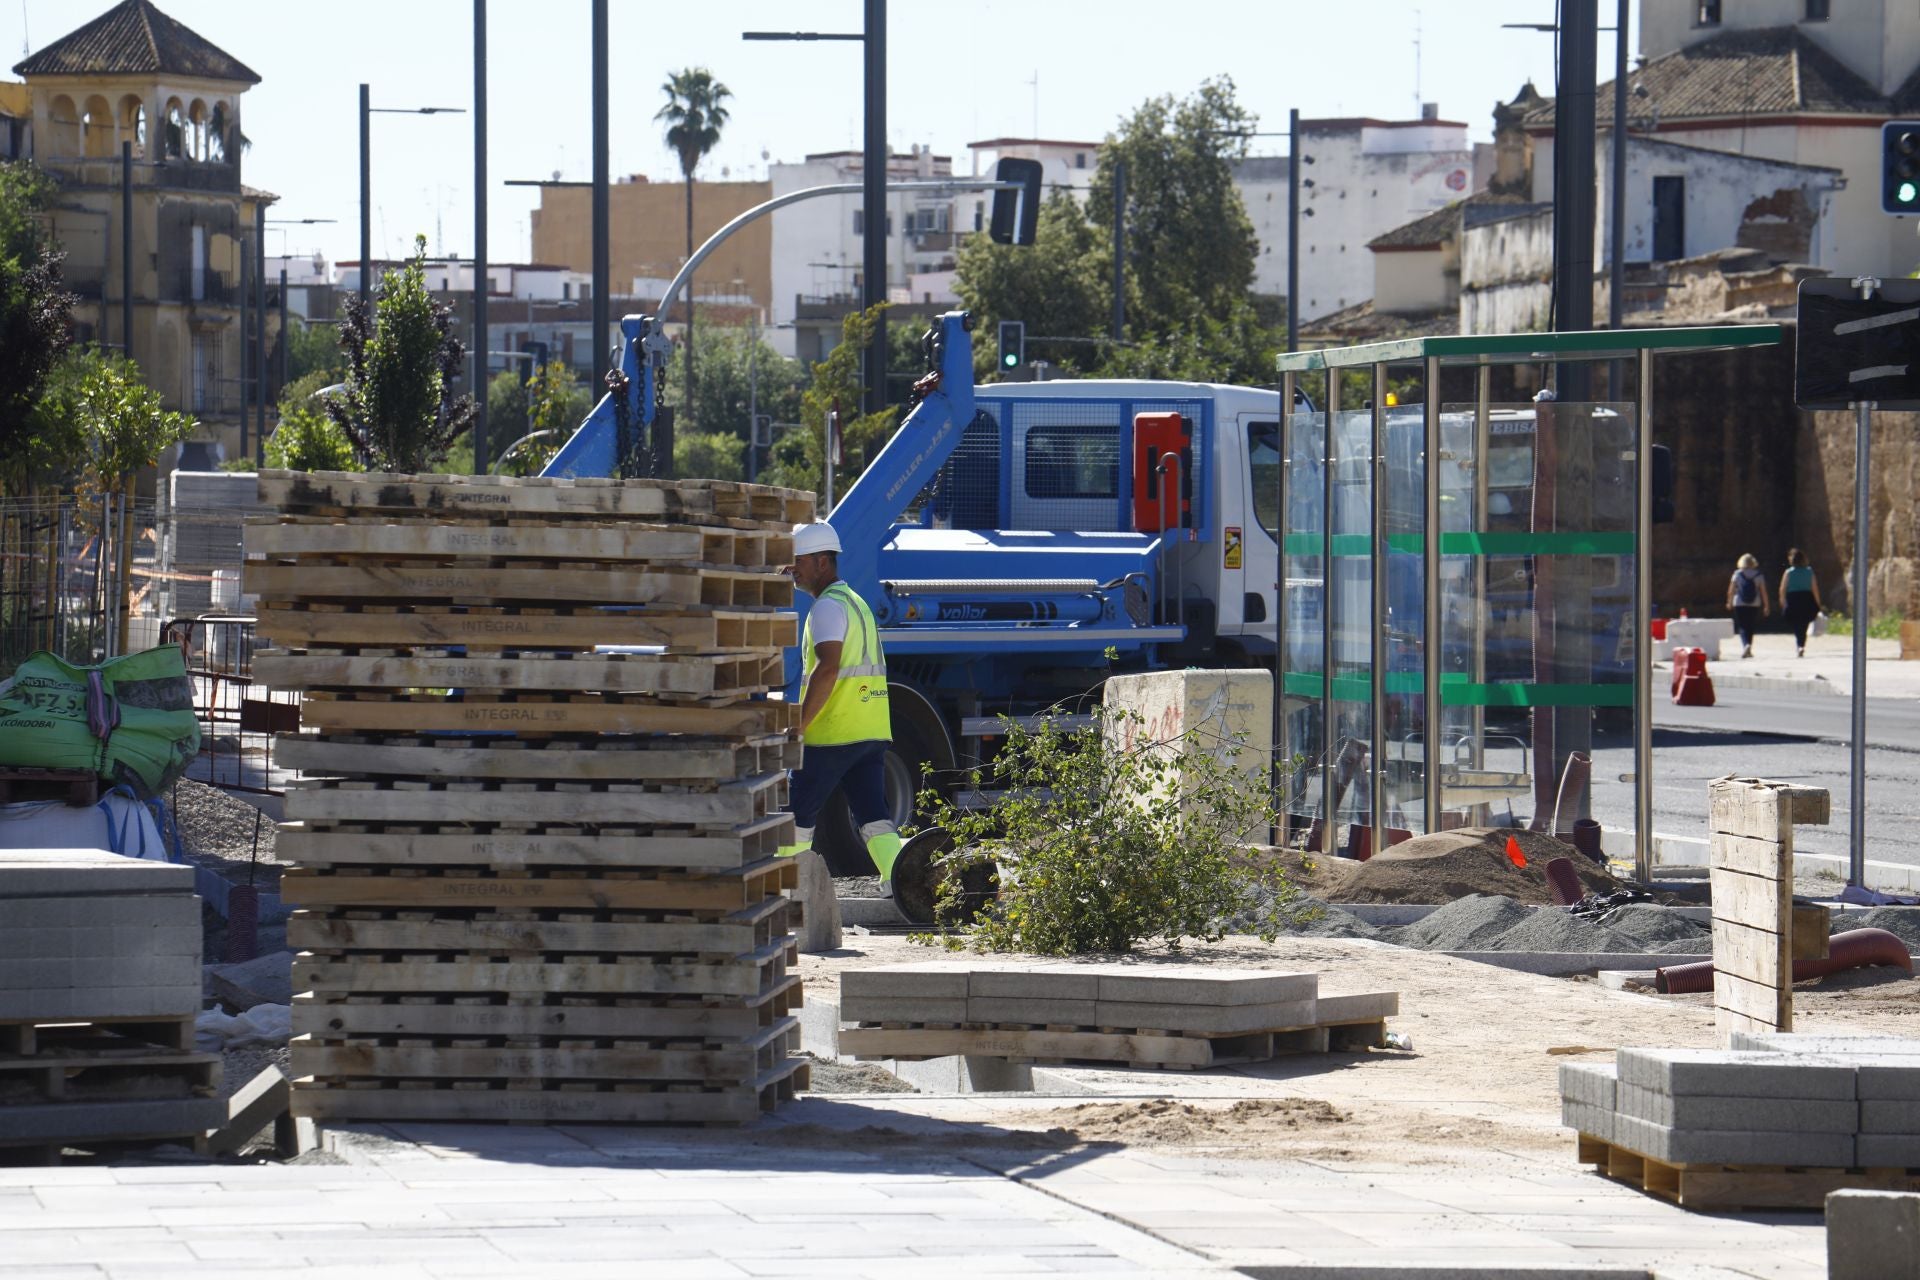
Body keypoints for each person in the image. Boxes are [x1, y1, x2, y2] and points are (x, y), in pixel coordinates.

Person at [778, 522, 901, 894]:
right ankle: (903, 881)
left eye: (796, 561)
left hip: (832, 733)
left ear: (821, 562)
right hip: (869, 730)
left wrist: (799, 724)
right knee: (873, 817)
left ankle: (784, 890)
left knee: (796, 815)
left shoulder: (828, 607)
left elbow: (827, 668)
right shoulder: (856, 603)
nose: (791, 569)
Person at [1779, 547, 1824, 658]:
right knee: (1804, 624)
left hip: (1793, 599)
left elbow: (1782, 588)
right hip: (1806, 599)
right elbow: (1815, 588)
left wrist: (1782, 601)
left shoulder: (1788, 572)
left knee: (1797, 624)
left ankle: (1799, 645)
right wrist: (1818, 603)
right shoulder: (1809, 571)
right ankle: (1801, 645)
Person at [1726, 553, 1770, 658]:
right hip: (1754, 603)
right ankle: (1749, 646)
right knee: (1750, 625)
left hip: (1739, 603)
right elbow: (1763, 591)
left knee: (1742, 626)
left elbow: (1731, 590)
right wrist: (1766, 605)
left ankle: (1745, 645)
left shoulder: (1737, 574)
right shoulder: (1758, 575)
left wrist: (1729, 601)